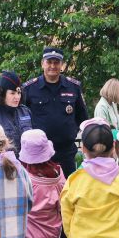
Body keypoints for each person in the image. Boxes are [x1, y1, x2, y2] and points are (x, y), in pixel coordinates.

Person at [22, 47, 88, 177]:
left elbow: (83, 118)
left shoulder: (73, 87)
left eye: (56, 62)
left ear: (62, 65)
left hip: (66, 152)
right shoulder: (30, 89)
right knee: (41, 193)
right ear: (42, 64)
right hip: (39, 153)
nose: (52, 66)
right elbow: (22, 119)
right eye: (49, 62)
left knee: (68, 192)